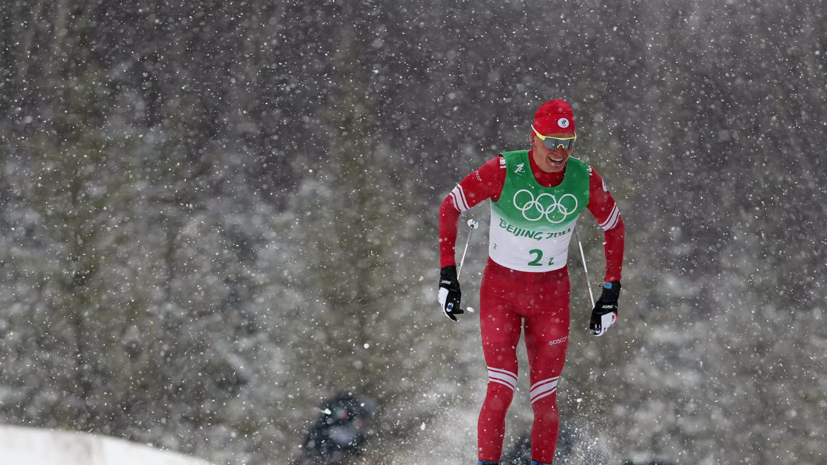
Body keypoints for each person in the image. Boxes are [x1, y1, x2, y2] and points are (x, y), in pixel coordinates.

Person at [437, 99, 625, 465]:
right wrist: (448, 275)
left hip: (551, 298)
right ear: (534, 138)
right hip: (500, 295)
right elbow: (451, 206)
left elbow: (614, 227)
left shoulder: (582, 178)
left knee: (544, 397)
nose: (560, 152)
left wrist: (610, 293)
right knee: (500, 390)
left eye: (567, 143)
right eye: (552, 141)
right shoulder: (504, 171)